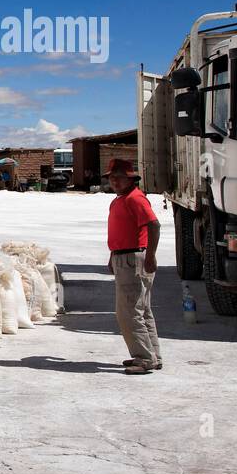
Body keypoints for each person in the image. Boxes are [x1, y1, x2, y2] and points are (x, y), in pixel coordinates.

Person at [106, 158, 162, 374]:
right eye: (112, 178)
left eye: (118, 178)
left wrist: (151, 255)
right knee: (142, 310)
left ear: (129, 179)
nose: (114, 182)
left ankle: (144, 359)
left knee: (129, 312)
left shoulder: (135, 199)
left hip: (133, 259)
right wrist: (112, 256)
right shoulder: (121, 199)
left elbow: (154, 225)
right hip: (123, 256)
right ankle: (153, 355)